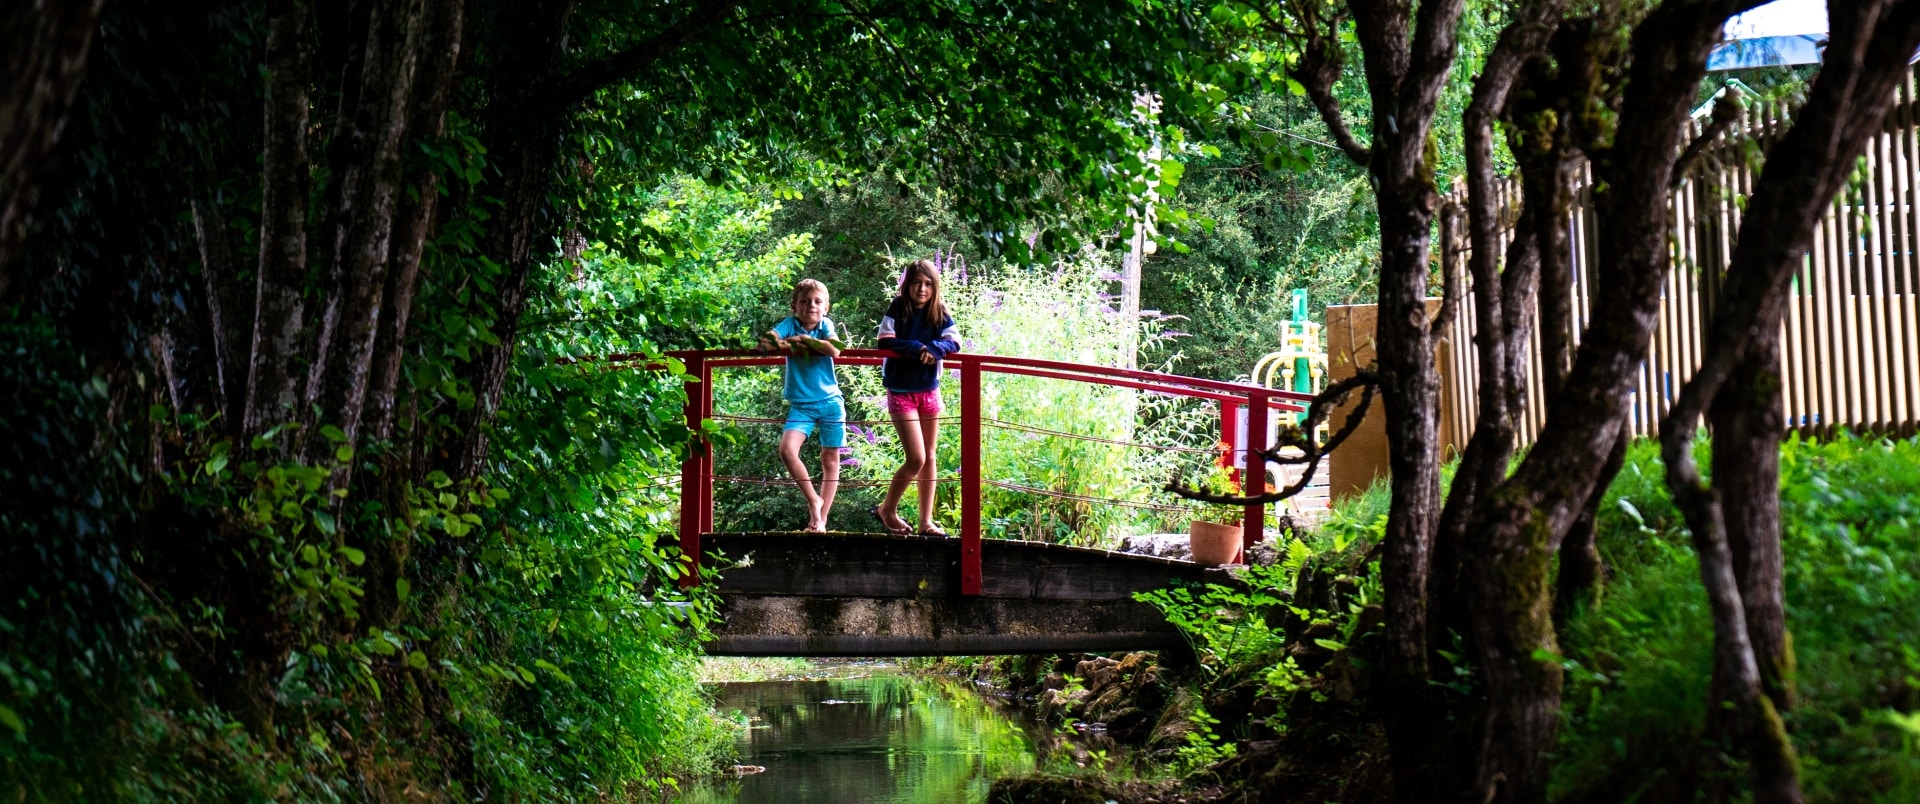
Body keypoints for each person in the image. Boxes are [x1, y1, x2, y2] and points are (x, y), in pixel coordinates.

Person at [874, 259, 961, 536]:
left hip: (929, 391)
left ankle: (926, 522)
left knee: (930, 456)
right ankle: (887, 509)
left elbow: (954, 341)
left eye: (927, 284)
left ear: (935, 287)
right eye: (915, 283)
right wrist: (915, 347)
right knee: (916, 458)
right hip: (902, 391)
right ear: (906, 285)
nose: (921, 289)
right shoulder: (898, 308)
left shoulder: (940, 312)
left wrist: (936, 348)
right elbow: (885, 341)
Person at [758, 278, 844, 532]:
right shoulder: (789, 324)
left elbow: (835, 349)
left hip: (831, 403)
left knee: (830, 460)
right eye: (805, 301)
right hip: (801, 406)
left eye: (818, 302)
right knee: (787, 450)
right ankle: (813, 499)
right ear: (794, 305)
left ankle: (820, 520)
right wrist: (794, 342)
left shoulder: (825, 325)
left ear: (826, 307)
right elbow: (764, 345)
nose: (811, 306)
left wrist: (805, 342)